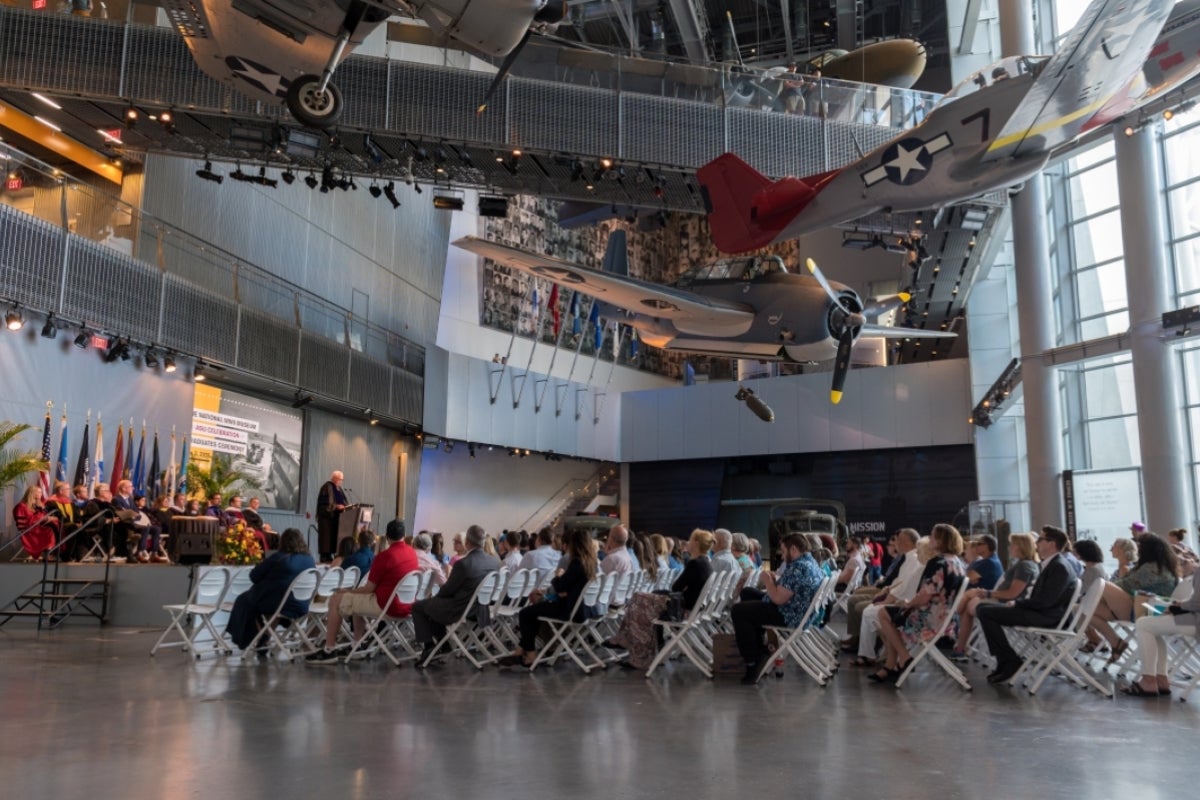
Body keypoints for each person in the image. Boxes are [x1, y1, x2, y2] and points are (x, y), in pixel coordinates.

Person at [977, 525, 1079, 684]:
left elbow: (1046, 601)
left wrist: (1018, 604)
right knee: (983, 608)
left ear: (1051, 544)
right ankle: (1006, 659)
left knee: (985, 612)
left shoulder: (1059, 566)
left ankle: (1008, 660)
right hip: (1042, 613)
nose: (1037, 542)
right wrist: (1018, 603)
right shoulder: (1053, 564)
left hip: (1047, 617)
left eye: (1040, 539)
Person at [306, 521, 418, 664]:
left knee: (336, 599)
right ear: (404, 535)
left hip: (386, 607)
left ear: (387, 537)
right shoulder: (412, 553)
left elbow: (368, 589)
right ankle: (356, 645)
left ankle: (329, 649)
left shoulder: (385, 556)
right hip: (407, 606)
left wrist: (346, 591)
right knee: (357, 602)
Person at [870, 524, 966, 683]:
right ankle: (891, 666)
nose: (930, 539)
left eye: (933, 536)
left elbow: (924, 596)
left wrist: (908, 603)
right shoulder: (957, 563)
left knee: (883, 614)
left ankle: (905, 658)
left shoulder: (939, 564)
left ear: (941, 540)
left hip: (929, 620)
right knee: (889, 616)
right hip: (947, 619)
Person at [497, 527, 599, 668]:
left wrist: (558, 575)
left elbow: (559, 585)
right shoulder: (592, 563)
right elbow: (567, 588)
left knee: (526, 613)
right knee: (535, 610)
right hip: (585, 608)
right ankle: (520, 651)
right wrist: (559, 589)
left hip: (570, 610)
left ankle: (531, 655)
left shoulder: (577, 563)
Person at [730, 532, 824, 683]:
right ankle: (759, 646)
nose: (782, 556)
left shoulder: (798, 567)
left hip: (788, 615)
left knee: (739, 611)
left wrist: (767, 581)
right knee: (748, 593)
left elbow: (779, 599)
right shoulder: (810, 562)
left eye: (783, 551)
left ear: (793, 549)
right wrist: (775, 582)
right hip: (797, 611)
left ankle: (752, 662)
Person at [411, 525, 500, 665]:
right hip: (480, 608)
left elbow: (447, 590)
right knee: (434, 607)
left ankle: (429, 647)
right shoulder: (494, 562)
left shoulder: (464, 564)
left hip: (460, 609)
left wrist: (436, 598)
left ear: (467, 543)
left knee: (419, 607)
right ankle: (443, 646)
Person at [1087, 532, 1179, 660]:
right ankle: (1116, 642)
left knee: (1104, 586)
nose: (1137, 549)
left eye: (1140, 546)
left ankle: (1107, 642)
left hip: (1148, 610)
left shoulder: (1153, 567)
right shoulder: (1157, 566)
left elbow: (1126, 585)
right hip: (1147, 608)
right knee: (1091, 611)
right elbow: (1126, 584)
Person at [949, 532, 1039, 662]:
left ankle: (955, 636)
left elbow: (1012, 593)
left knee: (970, 600)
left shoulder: (1024, 566)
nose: (1009, 548)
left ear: (1021, 546)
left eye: (1012, 545)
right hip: (1001, 600)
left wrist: (988, 593)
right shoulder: (1024, 565)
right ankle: (959, 643)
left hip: (1005, 604)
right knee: (970, 598)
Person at [225, 528, 316, 654]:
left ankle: (261, 636)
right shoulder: (309, 560)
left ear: (283, 542)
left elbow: (254, 576)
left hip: (281, 602)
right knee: (267, 602)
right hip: (301, 604)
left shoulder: (279, 557)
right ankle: (265, 635)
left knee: (245, 601)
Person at [1125, 565, 1200, 696]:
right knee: (1151, 628)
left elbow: (1196, 604)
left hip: (1195, 621)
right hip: (1194, 619)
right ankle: (1160, 679)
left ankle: (1149, 680)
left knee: (1143, 624)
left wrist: (1176, 607)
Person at [672, 529, 715, 611]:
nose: (688, 542)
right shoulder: (706, 562)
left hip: (685, 606)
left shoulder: (695, 563)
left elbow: (676, 587)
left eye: (690, 539)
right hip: (696, 606)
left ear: (696, 543)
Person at [13, 485, 58, 559]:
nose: (41, 494)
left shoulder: (36, 506)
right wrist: (44, 517)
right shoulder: (21, 506)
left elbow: (42, 516)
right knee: (50, 530)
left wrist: (48, 518)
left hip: (37, 528)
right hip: (28, 532)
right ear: (32, 493)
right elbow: (23, 523)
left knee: (56, 525)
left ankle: (52, 554)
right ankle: (49, 555)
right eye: (39, 492)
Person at [315, 470, 347, 562]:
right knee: (326, 539)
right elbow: (324, 505)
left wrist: (346, 507)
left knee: (334, 539)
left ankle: (332, 555)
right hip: (327, 519)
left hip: (337, 519)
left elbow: (344, 502)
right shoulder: (327, 487)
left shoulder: (339, 489)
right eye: (340, 479)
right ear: (335, 478)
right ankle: (325, 556)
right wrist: (336, 506)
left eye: (342, 480)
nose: (341, 481)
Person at [44, 481, 78, 559]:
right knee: (73, 528)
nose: (70, 491)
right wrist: (71, 523)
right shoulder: (51, 502)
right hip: (59, 525)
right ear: (61, 491)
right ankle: (66, 556)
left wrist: (78, 522)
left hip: (71, 525)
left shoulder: (70, 502)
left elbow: (76, 514)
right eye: (68, 489)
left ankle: (78, 555)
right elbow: (57, 515)